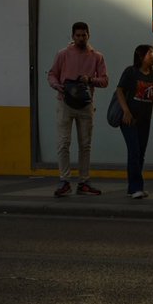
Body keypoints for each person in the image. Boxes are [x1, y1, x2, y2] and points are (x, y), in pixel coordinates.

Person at [47, 21, 109, 198]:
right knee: (63, 143)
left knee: (85, 144)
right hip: (64, 103)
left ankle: (84, 182)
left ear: (89, 35)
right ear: (72, 36)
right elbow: (52, 73)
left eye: (84, 35)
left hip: (86, 104)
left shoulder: (97, 56)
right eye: (78, 35)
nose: (81, 38)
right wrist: (57, 85)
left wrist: (89, 80)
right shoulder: (63, 54)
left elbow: (105, 80)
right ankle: (64, 181)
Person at [115, 44, 153, 199]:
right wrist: (126, 111)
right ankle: (136, 187)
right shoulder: (131, 72)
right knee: (134, 151)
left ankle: (134, 187)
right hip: (130, 120)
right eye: (151, 53)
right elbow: (120, 90)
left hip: (145, 120)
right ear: (141, 56)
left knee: (140, 153)